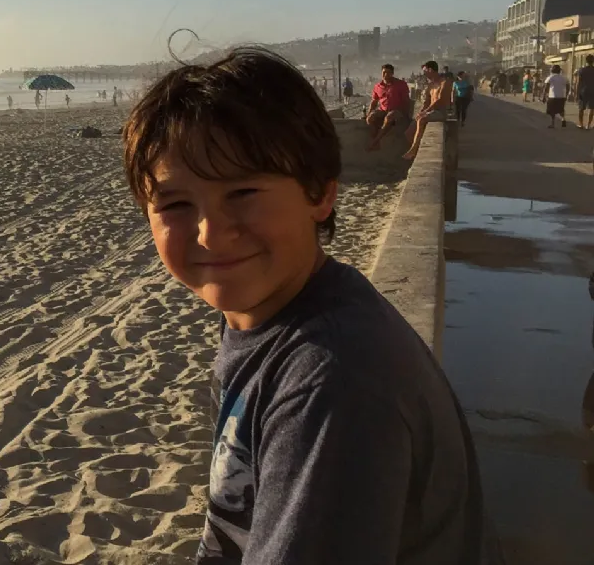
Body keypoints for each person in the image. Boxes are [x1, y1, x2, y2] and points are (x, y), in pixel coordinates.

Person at [121, 47, 486, 564]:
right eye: (176, 204)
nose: (210, 232)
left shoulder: (332, 381)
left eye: (243, 191)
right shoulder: (272, 320)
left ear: (320, 194)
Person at [402, 60, 453, 160]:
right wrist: (421, 111)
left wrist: (425, 112)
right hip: (431, 111)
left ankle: (413, 149)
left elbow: (439, 100)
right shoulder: (431, 85)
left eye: (425, 71)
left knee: (422, 120)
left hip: (440, 112)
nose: (424, 73)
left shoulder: (444, 82)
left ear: (430, 70)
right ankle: (417, 149)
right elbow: (427, 101)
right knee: (408, 132)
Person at [365, 64, 410, 150]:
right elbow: (374, 101)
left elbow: (406, 101)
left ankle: (375, 142)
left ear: (392, 73)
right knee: (370, 118)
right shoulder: (377, 86)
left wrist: (405, 114)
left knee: (389, 117)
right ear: (381, 73)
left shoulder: (401, 84)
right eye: (384, 72)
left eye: (388, 73)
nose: (386, 75)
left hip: (397, 110)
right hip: (383, 110)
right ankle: (376, 139)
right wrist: (368, 113)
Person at [543, 64, 569, 129]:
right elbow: (568, 87)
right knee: (561, 109)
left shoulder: (550, 77)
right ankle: (563, 119)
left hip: (552, 96)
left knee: (552, 110)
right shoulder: (564, 78)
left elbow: (546, 88)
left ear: (552, 70)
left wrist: (543, 96)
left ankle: (552, 123)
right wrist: (566, 94)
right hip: (561, 96)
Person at [575, 55, 594, 130]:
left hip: (583, 91)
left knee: (581, 108)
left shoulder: (581, 70)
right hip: (593, 90)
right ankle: (588, 125)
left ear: (586, 61)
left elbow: (578, 82)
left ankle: (581, 124)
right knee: (591, 108)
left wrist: (576, 93)